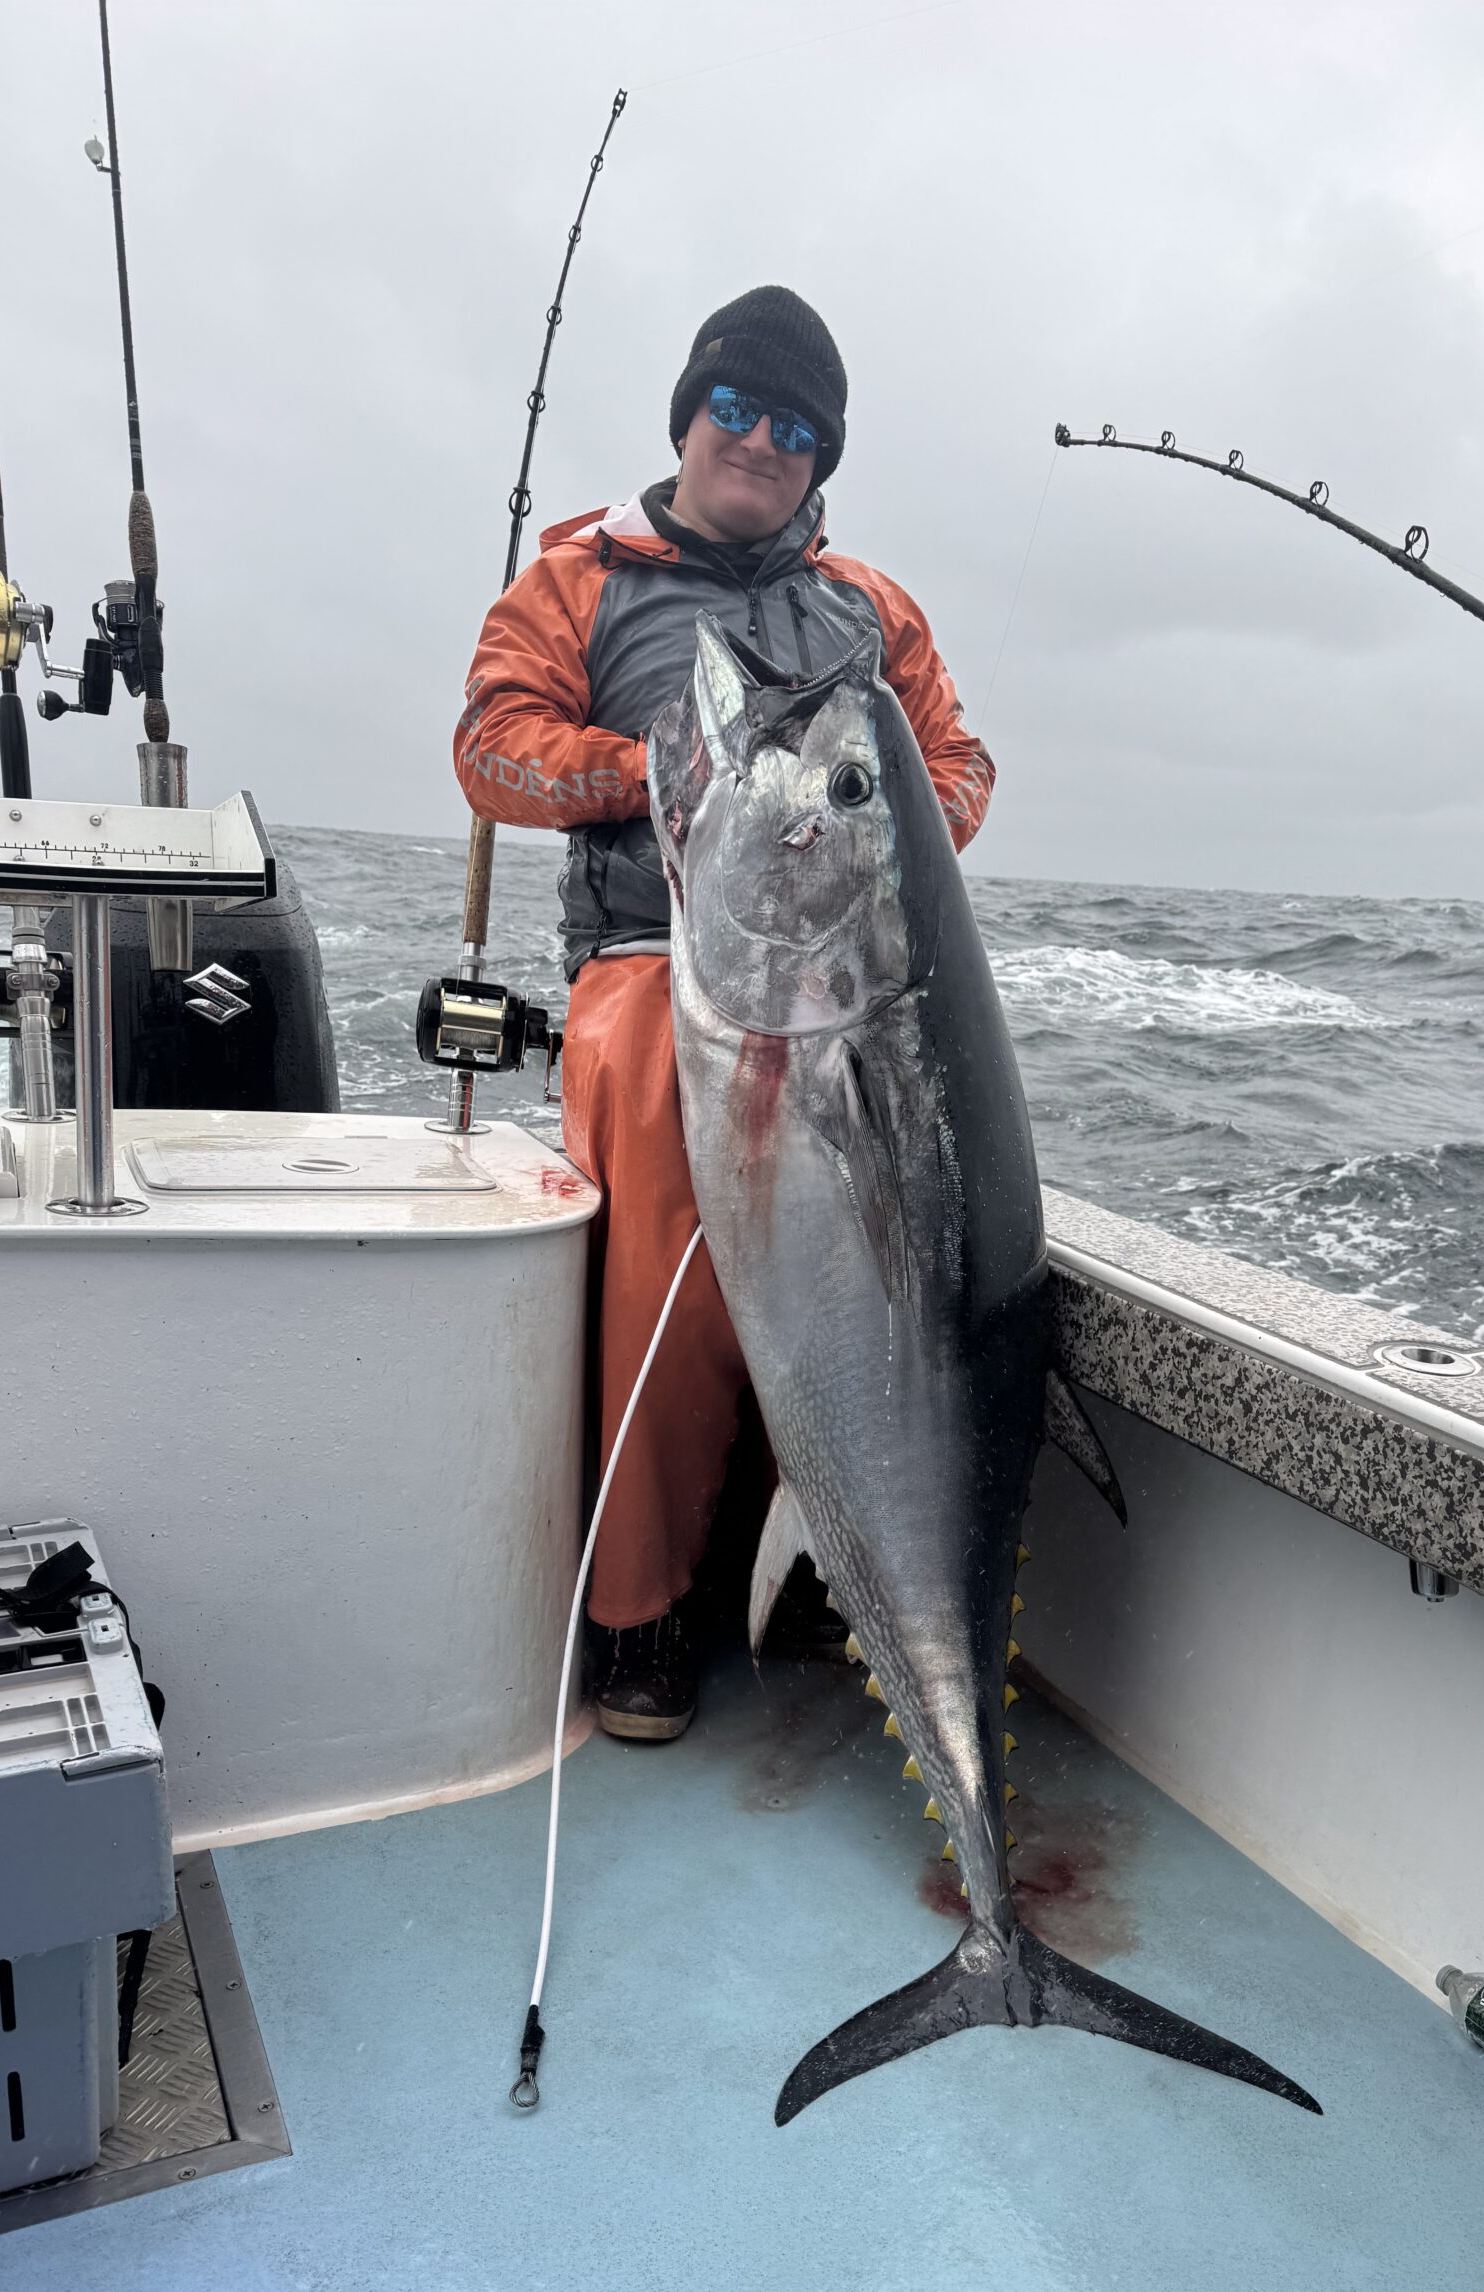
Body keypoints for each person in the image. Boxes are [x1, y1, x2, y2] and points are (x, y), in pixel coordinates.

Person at [455, 285, 994, 1740]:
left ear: (823, 462)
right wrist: (670, 775)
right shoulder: (579, 579)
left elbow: (960, 765)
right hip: (659, 965)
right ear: (689, 418)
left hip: (862, 980)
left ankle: (836, 1565)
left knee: (934, 1258)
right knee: (680, 1273)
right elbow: (495, 753)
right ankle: (647, 1613)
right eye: (738, 409)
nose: (762, 441)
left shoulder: (871, 611)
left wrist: (859, 832)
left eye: (798, 428)